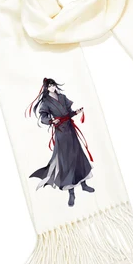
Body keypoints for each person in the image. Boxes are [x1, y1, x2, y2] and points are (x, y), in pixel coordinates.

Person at [25, 78, 95, 207]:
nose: (52, 87)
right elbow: (43, 117)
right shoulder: (46, 102)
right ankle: (71, 192)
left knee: (78, 156)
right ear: (46, 88)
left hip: (70, 130)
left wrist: (76, 112)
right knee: (66, 160)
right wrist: (51, 121)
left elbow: (68, 114)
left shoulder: (62, 97)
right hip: (61, 133)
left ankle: (84, 185)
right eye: (49, 86)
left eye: (53, 85)